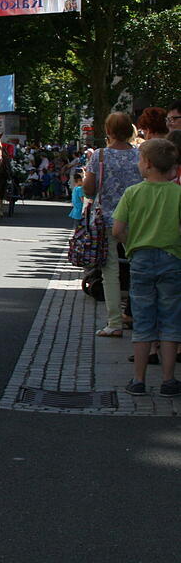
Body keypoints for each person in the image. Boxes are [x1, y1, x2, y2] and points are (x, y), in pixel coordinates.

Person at [111, 138, 181, 397]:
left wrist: (134, 243)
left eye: (140, 160)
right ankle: (168, 380)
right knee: (171, 320)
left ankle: (138, 380)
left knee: (143, 321)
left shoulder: (132, 193)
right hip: (173, 259)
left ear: (148, 164)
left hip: (140, 260)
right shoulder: (178, 193)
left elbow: (117, 230)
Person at [84, 112, 143, 339]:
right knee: (138, 268)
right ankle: (138, 315)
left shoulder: (99, 156)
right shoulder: (140, 155)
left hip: (107, 220)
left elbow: (89, 189)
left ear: (108, 131)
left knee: (110, 271)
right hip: (135, 220)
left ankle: (114, 322)